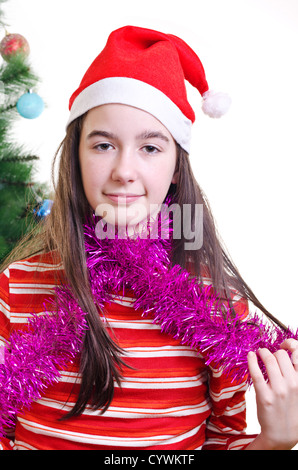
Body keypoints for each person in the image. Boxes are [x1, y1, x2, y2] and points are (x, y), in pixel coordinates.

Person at [0, 25, 298, 451]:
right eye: (103, 145)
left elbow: (222, 439)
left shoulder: (219, 306)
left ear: (177, 167)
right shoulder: (17, 286)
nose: (124, 170)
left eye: (151, 148)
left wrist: (275, 440)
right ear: (76, 157)